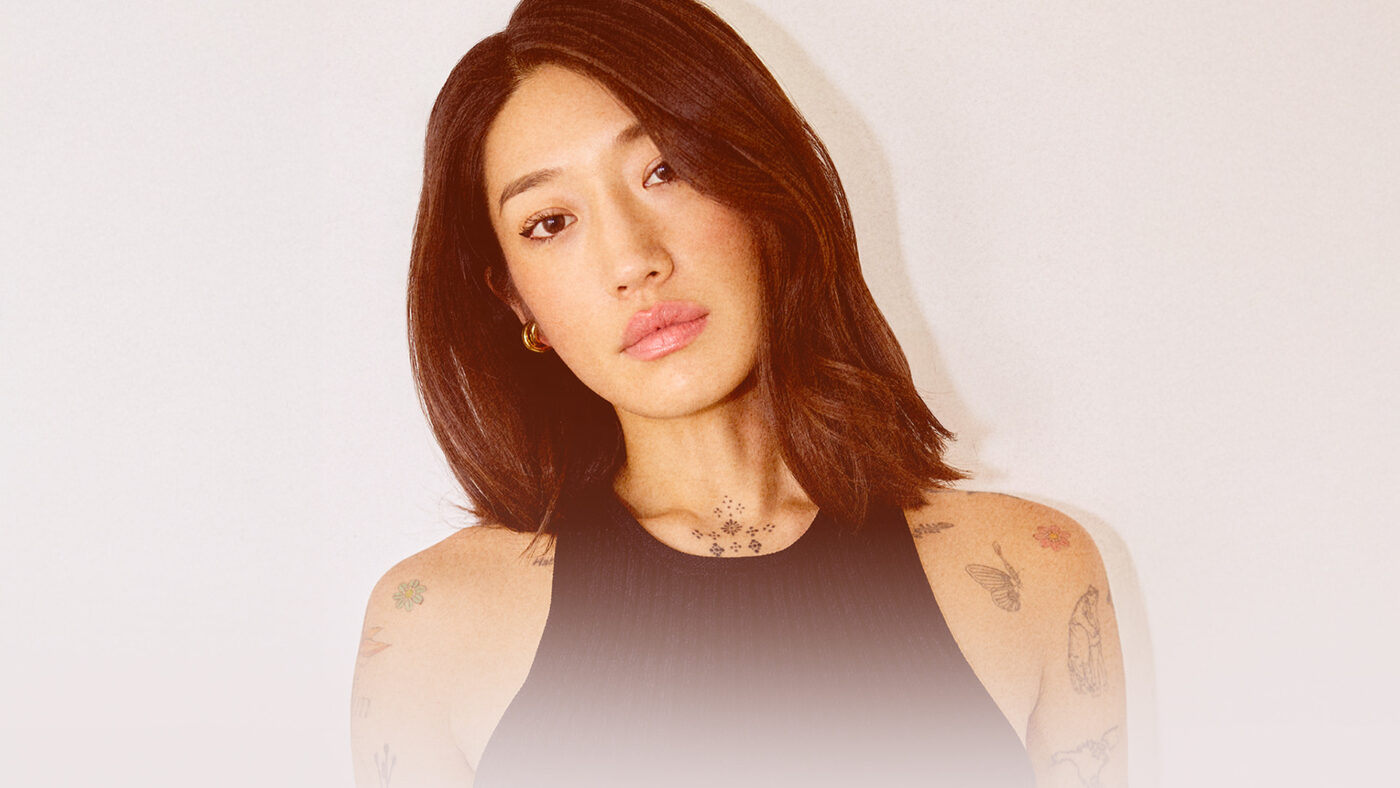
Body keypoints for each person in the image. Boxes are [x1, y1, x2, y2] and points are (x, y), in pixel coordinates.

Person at [350, 1, 1127, 786]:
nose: (633, 260)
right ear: (516, 300)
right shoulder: (431, 630)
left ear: (762, 190)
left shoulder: (1036, 572)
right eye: (551, 222)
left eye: (665, 170)